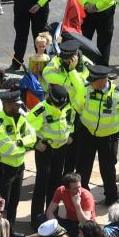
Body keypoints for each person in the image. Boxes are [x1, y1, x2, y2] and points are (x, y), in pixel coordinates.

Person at [73, 63, 119, 206]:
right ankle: (82, 196)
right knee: (83, 166)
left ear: (102, 81)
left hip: (109, 138)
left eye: (93, 82)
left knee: (108, 168)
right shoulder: (86, 90)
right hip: (88, 133)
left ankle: (111, 198)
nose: (90, 84)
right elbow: (78, 106)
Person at [27, 86, 74, 227]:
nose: (60, 108)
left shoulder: (66, 106)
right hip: (45, 150)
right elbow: (26, 128)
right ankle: (36, 219)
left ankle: (52, 215)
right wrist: (35, 143)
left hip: (60, 148)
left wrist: (69, 134)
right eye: (57, 105)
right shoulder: (40, 110)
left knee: (55, 183)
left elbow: (70, 120)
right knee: (42, 183)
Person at [0, 92, 35, 232]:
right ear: (7, 105)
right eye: (16, 105)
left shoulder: (20, 118)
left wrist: (21, 142)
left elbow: (33, 136)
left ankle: (10, 229)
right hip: (3, 168)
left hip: (19, 165)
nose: (19, 107)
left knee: (14, 201)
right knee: (2, 203)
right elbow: (8, 149)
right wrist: (25, 145)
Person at [45, 172, 96, 237]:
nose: (78, 191)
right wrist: (57, 228)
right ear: (67, 189)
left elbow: (85, 222)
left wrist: (77, 205)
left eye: (79, 187)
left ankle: (65, 236)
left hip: (84, 225)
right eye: (75, 188)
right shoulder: (61, 191)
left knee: (83, 231)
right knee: (41, 218)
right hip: (70, 222)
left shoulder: (87, 196)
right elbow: (49, 212)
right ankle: (63, 235)